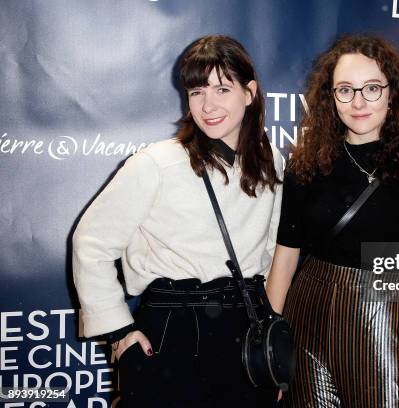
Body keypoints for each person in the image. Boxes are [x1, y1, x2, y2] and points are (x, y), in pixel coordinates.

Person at [72, 35, 283, 407]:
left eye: (222, 89)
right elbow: (90, 243)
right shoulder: (155, 163)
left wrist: (271, 336)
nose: (208, 105)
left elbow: (270, 252)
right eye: (197, 92)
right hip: (172, 326)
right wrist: (120, 332)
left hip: (246, 323)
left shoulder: (272, 162)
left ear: (249, 93)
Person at [266, 34, 399, 407]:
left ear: (392, 93)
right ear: (330, 98)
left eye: (371, 88)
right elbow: (284, 262)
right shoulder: (307, 165)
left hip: (382, 313)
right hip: (307, 316)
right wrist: (269, 348)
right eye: (345, 90)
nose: (359, 102)